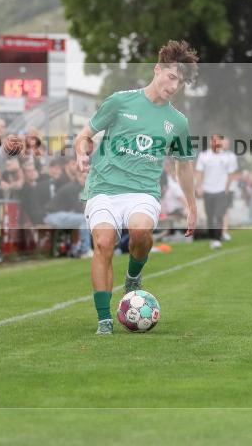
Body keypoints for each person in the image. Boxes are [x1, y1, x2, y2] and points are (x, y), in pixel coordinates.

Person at [75, 40, 198, 336]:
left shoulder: (178, 122)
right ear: (157, 70)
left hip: (143, 191)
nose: (173, 86)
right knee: (103, 243)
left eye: (179, 82)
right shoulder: (119, 102)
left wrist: (192, 206)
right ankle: (104, 319)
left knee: (141, 233)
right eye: (171, 77)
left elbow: (183, 166)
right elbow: (85, 134)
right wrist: (81, 151)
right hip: (103, 186)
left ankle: (133, 277)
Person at [195, 133, 238, 249]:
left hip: (221, 191)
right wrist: (199, 186)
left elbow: (230, 174)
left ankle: (217, 238)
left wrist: (227, 188)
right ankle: (213, 238)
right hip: (208, 190)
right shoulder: (203, 156)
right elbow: (199, 172)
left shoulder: (227, 157)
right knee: (210, 216)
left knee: (219, 215)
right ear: (210, 142)